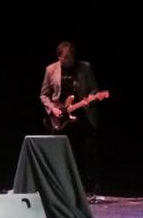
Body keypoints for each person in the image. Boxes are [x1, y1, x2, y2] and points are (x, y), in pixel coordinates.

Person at [40, 41, 102, 193]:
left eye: (69, 57)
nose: (67, 60)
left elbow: (94, 89)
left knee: (87, 151)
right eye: (64, 58)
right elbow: (44, 95)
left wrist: (90, 99)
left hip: (83, 115)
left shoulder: (84, 67)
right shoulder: (51, 69)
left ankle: (91, 187)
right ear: (59, 57)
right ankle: (64, 187)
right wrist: (53, 109)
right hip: (61, 118)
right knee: (64, 153)